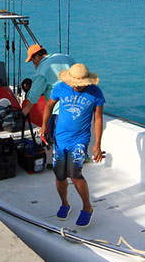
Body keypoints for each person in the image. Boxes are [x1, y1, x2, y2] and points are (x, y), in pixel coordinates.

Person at [41, 63, 105, 228]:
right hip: (60, 137)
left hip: (80, 139)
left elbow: (98, 118)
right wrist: (43, 125)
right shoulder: (61, 87)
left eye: (80, 84)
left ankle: (87, 207)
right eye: (74, 84)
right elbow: (49, 105)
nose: (76, 87)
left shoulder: (95, 93)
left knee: (75, 173)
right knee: (60, 174)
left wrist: (97, 144)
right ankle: (65, 203)